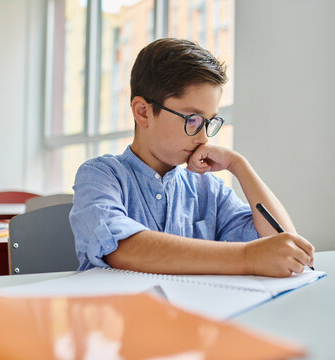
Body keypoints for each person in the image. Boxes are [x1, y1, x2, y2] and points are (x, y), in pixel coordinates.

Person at [70, 38, 314, 277]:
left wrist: (238, 165)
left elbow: (279, 247)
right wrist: (246, 257)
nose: (203, 137)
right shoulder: (100, 175)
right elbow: (121, 248)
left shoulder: (209, 189)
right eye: (192, 120)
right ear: (143, 112)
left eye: (209, 122)